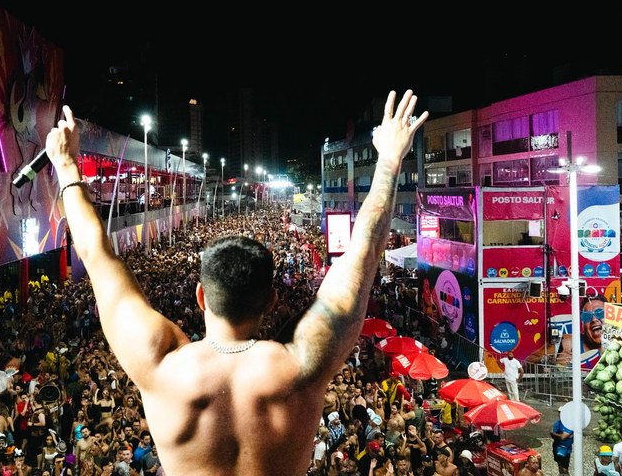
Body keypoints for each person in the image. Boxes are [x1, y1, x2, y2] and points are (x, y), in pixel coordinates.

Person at [47, 90, 427, 475]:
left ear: (201, 296)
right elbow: (364, 251)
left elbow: (97, 255)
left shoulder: (161, 366)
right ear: (272, 300)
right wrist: (390, 162)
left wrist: (66, 166)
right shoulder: (300, 367)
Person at [556, 294, 606, 370]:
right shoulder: (570, 342)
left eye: (600, 313)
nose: (594, 319)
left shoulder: (621, 342)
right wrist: (550, 360)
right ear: (582, 324)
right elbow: (532, 359)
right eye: (587, 316)